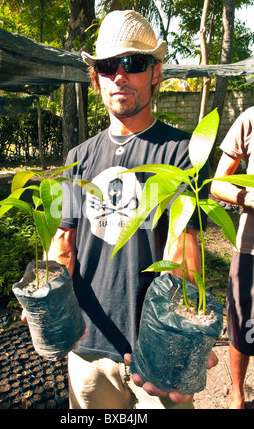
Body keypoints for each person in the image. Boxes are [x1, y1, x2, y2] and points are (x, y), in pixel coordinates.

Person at [48, 10, 217, 409]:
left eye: (133, 63)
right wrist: (48, 296)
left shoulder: (182, 151)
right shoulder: (78, 156)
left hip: (155, 351)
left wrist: (185, 326)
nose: (119, 75)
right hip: (88, 347)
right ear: (96, 79)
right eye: (108, 66)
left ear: (155, 73)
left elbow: (183, 244)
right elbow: (62, 242)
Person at [211, 107, 254, 409]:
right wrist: (249, 197)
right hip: (251, 248)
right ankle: (237, 394)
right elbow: (217, 184)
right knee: (242, 326)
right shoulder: (250, 120)